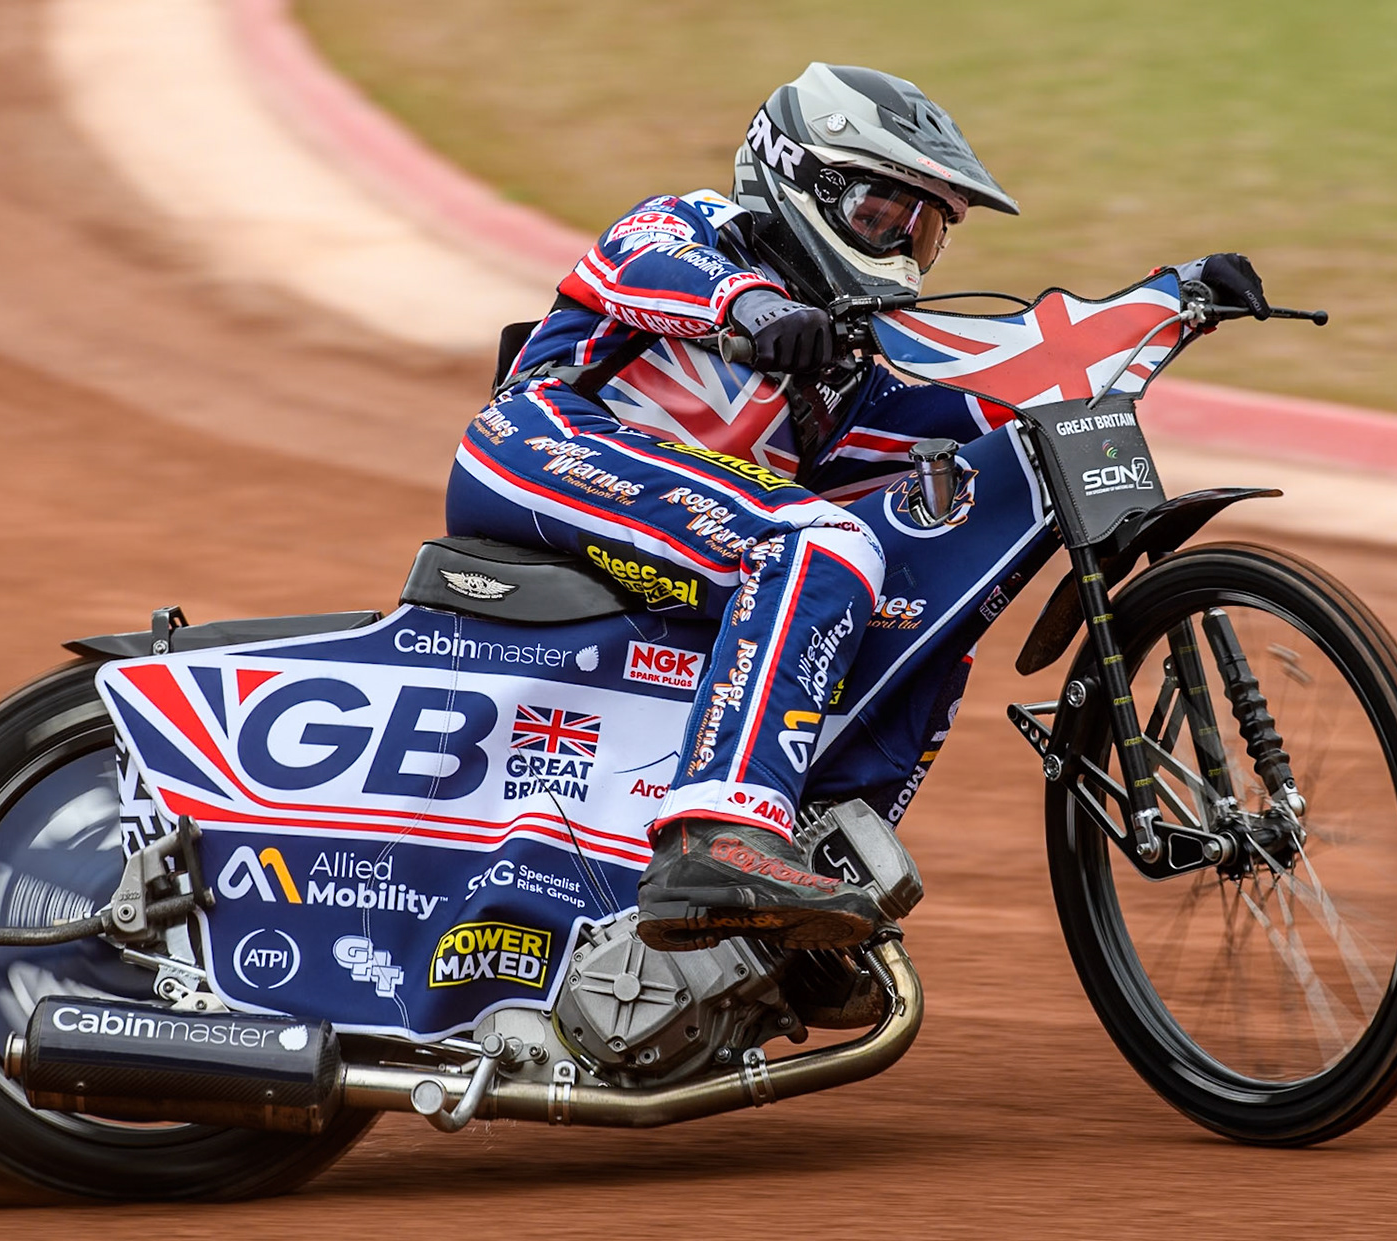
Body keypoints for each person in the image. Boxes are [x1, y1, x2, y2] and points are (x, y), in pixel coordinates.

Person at [445, 63, 1267, 953]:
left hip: (682, 513)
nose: (901, 245)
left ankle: (811, 879)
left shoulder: (848, 364)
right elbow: (646, 267)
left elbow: (982, 411)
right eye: (881, 213)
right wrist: (750, 305)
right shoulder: (689, 227)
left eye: (924, 230)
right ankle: (713, 839)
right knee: (820, 545)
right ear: (799, 174)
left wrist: (1163, 308)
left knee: (932, 606)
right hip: (540, 443)